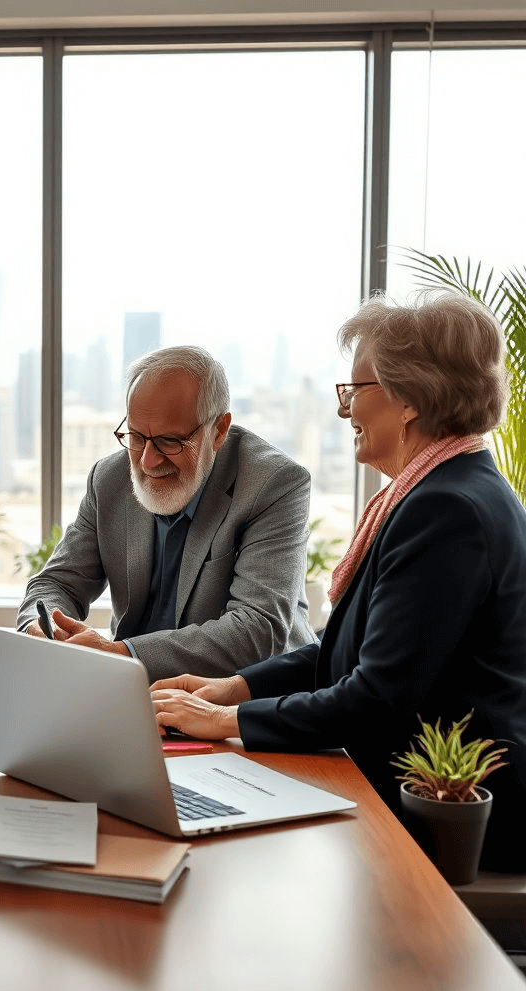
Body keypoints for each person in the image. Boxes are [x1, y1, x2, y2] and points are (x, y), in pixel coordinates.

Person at [150, 292, 526, 871]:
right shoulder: (445, 491)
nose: (345, 410)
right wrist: (232, 688)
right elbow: (352, 652)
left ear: (408, 400)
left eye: (356, 390)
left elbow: (377, 699)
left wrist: (227, 724)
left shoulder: (446, 511)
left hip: (445, 818)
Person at [16, 345, 316, 682]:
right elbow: (57, 583)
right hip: (136, 695)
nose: (147, 462)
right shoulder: (109, 479)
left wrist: (122, 655)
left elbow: (257, 631)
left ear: (218, 431)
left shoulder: (274, 483)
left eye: (170, 442)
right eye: (136, 437)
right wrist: (44, 630)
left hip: (245, 701)